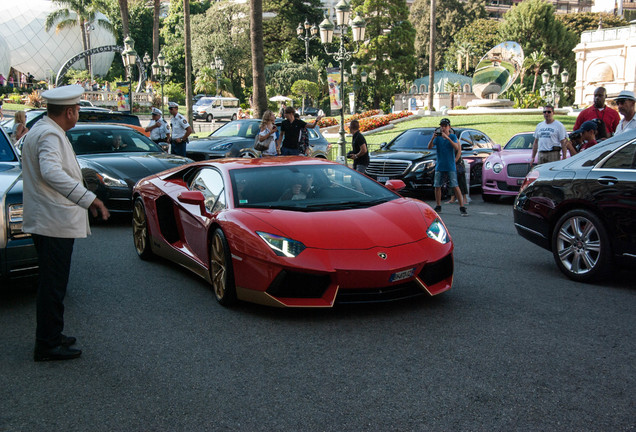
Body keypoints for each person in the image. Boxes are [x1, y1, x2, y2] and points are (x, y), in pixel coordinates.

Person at [20, 84, 110, 362]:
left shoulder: (44, 129)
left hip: (48, 220)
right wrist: (88, 199)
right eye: (79, 109)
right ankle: (47, 343)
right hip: (54, 221)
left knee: (52, 283)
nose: (79, 113)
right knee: (53, 285)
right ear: (70, 111)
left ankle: (52, 334)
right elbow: (50, 172)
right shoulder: (49, 134)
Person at [427, 118, 467, 216]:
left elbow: (456, 147)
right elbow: (429, 147)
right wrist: (433, 138)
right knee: (437, 186)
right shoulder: (438, 137)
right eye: (442, 126)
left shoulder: (453, 136)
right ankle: (438, 205)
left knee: (455, 185)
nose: (443, 128)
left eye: (445, 126)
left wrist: (448, 138)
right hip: (440, 165)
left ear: (449, 127)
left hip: (450, 165)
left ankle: (462, 207)